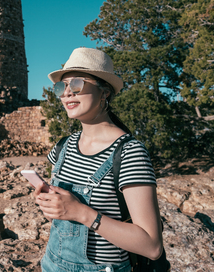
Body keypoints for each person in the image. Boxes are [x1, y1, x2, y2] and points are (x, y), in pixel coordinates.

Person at [35, 48, 163, 272]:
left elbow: (152, 246)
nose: (66, 94)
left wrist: (81, 213)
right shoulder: (63, 146)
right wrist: (50, 204)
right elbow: (62, 219)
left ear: (104, 93)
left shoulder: (130, 153)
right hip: (51, 264)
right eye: (61, 87)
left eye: (76, 84)